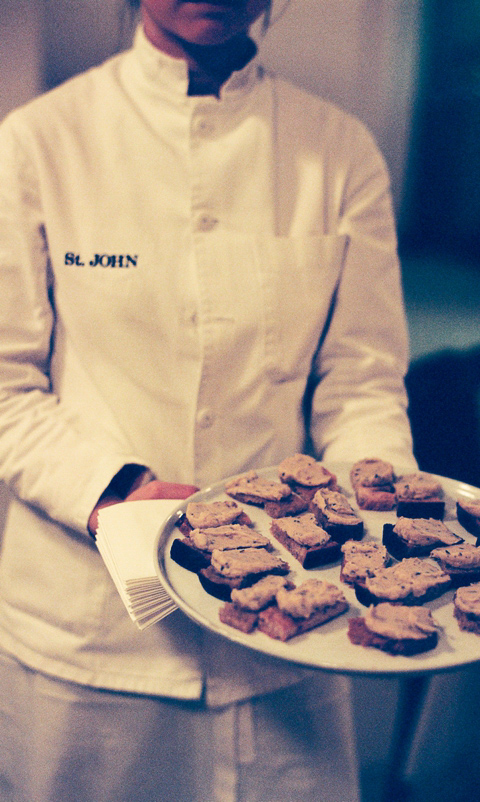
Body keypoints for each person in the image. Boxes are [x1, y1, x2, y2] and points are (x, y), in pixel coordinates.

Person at [0, 1, 416, 799]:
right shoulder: (42, 140)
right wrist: (117, 492)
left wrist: (370, 506)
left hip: (288, 625)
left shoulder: (337, 151)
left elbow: (361, 378)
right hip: (89, 635)